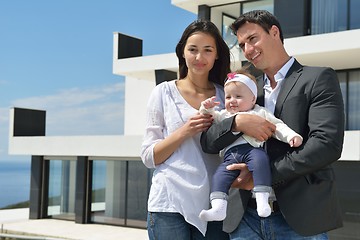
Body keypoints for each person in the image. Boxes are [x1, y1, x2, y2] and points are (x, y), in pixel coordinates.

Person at [200, 10, 345, 240]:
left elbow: (326, 145)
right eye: (242, 44)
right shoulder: (244, 89)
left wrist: (260, 177)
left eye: (252, 39)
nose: (248, 49)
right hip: (245, 219)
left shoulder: (318, 78)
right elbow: (208, 141)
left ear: (274, 32)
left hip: (300, 219)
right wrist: (237, 122)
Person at [140, 19, 231, 240]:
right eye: (193, 50)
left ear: (217, 55)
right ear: (182, 52)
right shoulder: (163, 92)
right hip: (169, 204)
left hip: (214, 204)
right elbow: (149, 157)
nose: (199, 58)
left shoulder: (226, 95)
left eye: (207, 50)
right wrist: (185, 130)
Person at [198, 70, 302, 221]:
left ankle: (262, 200)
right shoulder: (225, 115)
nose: (232, 100)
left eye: (238, 96)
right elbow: (211, 120)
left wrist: (291, 136)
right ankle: (218, 208)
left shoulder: (260, 112)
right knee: (219, 176)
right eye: (228, 97)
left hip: (253, 151)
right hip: (230, 157)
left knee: (261, 163)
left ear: (253, 99)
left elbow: (277, 126)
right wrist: (207, 108)